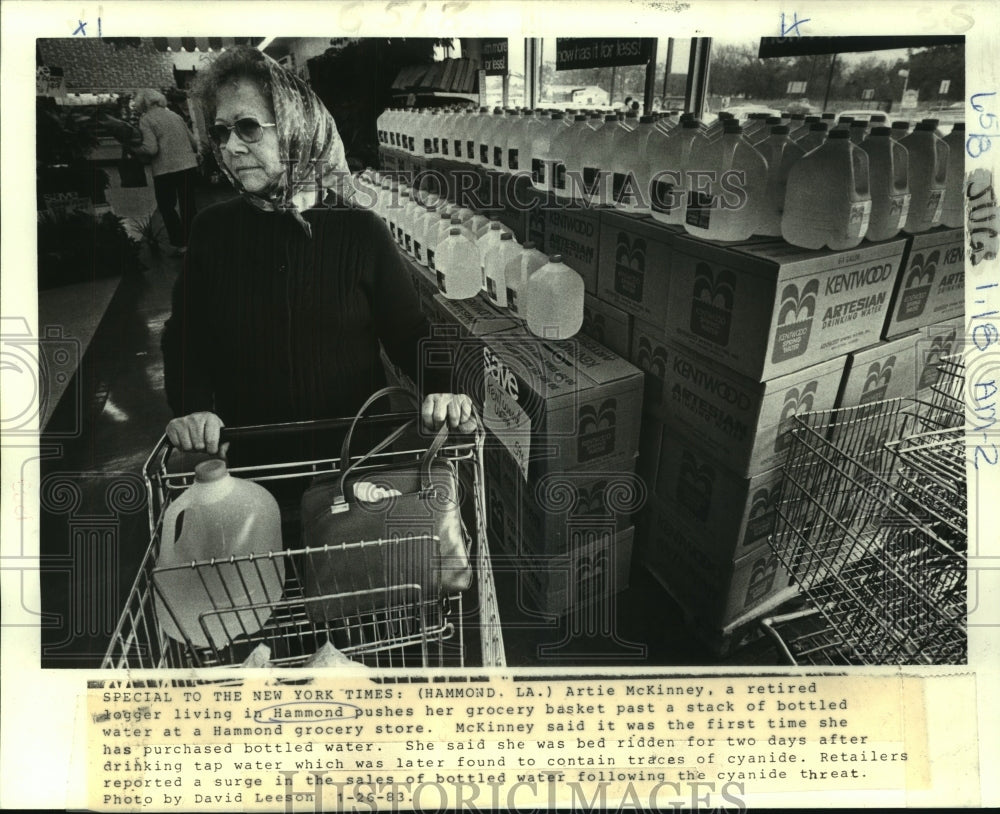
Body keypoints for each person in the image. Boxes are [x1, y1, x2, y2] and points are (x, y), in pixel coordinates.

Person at [161, 46, 474, 463]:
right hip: (257, 467)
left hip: (356, 463)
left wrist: (445, 388)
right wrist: (192, 406)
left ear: (297, 128)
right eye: (221, 132)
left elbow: (409, 333)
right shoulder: (213, 232)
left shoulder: (359, 231)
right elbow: (187, 336)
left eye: (248, 127)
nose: (231, 147)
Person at [131, 88, 200, 254]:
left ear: (142, 104)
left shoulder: (146, 120)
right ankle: (195, 242)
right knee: (188, 205)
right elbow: (193, 143)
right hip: (188, 166)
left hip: (165, 170)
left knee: (167, 207)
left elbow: (151, 149)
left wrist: (134, 148)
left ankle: (180, 244)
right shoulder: (175, 116)